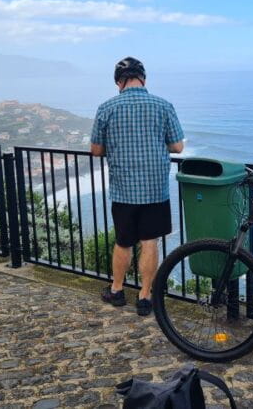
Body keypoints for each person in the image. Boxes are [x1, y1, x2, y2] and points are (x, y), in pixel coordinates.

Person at [90, 57, 184, 316]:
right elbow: (177, 146)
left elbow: (96, 150)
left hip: (123, 189)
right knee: (149, 241)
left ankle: (117, 291)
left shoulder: (106, 108)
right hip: (154, 188)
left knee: (123, 242)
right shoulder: (163, 106)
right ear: (143, 79)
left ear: (118, 82)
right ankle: (145, 297)